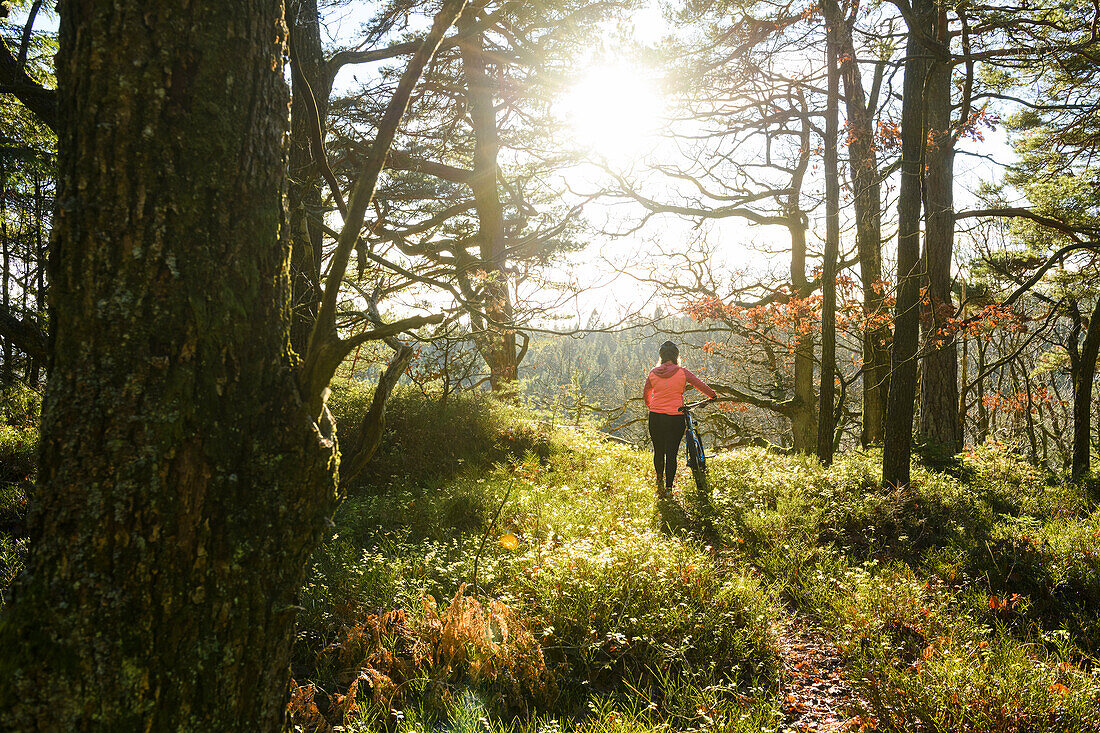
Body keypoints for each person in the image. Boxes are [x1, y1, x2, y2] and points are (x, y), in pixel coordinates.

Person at [643, 341, 717, 492]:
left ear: (661, 357)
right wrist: (712, 395)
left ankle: (659, 479)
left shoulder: (652, 373)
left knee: (658, 450)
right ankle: (669, 487)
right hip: (675, 417)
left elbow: (646, 395)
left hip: (656, 417)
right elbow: (699, 384)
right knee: (671, 452)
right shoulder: (682, 372)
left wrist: (653, 406)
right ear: (676, 356)